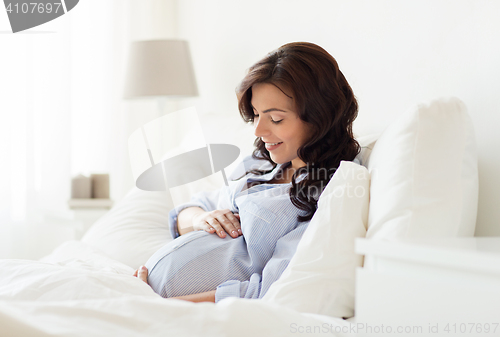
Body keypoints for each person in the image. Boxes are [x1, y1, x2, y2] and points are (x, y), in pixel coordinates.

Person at [133, 41, 360, 303]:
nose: (258, 131)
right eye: (255, 115)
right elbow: (185, 212)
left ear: (320, 117)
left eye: (275, 119)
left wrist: (162, 304)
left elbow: (269, 288)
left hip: (187, 312)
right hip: (145, 294)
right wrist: (202, 219)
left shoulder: (327, 193)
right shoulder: (259, 165)